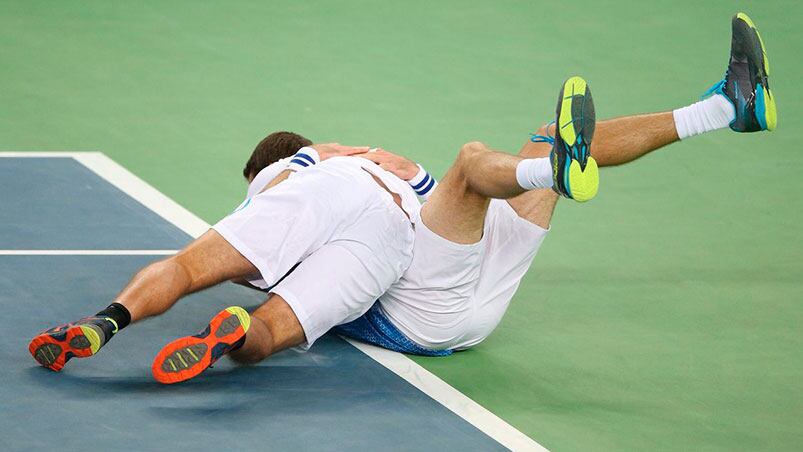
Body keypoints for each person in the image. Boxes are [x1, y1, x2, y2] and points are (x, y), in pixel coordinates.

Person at [230, 12, 776, 359]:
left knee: (546, 143)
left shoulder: (318, 193)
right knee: (471, 164)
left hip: (446, 305)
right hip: (416, 313)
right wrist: (320, 157)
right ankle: (553, 170)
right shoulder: (301, 181)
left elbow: (425, 215)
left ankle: (725, 106)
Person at [28, 75, 598, 383]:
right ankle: (237, 334)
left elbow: (272, 203)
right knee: (271, 332)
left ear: (260, 166)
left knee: (186, 267)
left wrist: (298, 166)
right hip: (391, 234)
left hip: (329, 195)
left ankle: (107, 321)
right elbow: (420, 189)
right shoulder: (370, 161)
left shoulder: (287, 168)